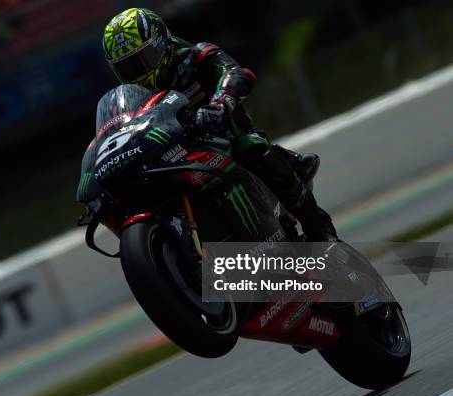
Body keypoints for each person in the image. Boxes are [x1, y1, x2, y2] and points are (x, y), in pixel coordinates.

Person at [101, 8, 338, 242]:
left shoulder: (196, 57)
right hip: (171, 154)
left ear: (162, 44)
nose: (139, 74)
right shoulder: (130, 98)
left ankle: (318, 226)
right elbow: (116, 128)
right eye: (128, 68)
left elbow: (236, 73)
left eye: (144, 60)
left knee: (254, 149)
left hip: (223, 137)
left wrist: (220, 104)